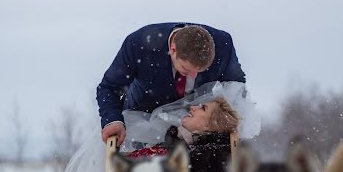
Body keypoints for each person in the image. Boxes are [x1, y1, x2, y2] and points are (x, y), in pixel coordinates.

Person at [97, 22, 245, 146]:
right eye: (186, 70)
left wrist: (231, 121)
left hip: (196, 128)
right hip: (143, 121)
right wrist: (112, 120)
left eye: (200, 71)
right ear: (173, 50)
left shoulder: (223, 45)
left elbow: (236, 87)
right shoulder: (137, 45)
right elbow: (109, 87)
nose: (194, 76)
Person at [127, 97, 239, 172]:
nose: (193, 107)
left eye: (203, 108)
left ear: (212, 125)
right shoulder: (177, 144)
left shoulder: (216, 154)